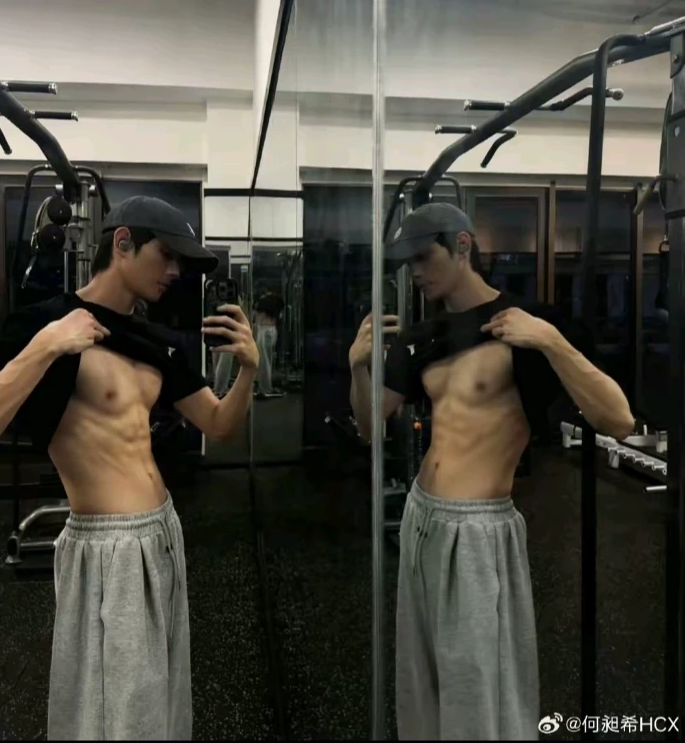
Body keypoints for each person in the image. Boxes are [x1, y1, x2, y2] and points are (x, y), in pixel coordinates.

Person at [0, 195, 259, 741]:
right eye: (166, 255)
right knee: (114, 716)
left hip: (164, 534)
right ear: (123, 243)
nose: (174, 272)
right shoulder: (48, 325)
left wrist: (246, 370)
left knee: (161, 707)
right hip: (107, 546)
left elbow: (218, 425)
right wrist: (44, 348)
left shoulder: (153, 342)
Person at [348, 202, 634, 741]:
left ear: (462, 246)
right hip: (420, 518)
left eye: (424, 258)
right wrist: (358, 367)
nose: (416, 273)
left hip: (478, 527)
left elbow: (618, 419)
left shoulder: (525, 326)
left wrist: (550, 340)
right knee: (420, 677)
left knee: (478, 683)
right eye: (408, 264)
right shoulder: (423, 336)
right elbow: (369, 425)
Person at [253, 287, 284, 398]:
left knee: (263, 361)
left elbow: (256, 318)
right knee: (268, 360)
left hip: (264, 330)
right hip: (272, 330)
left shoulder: (261, 303)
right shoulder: (278, 301)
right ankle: (265, 386)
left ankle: (265, 388)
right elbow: (280, 315)